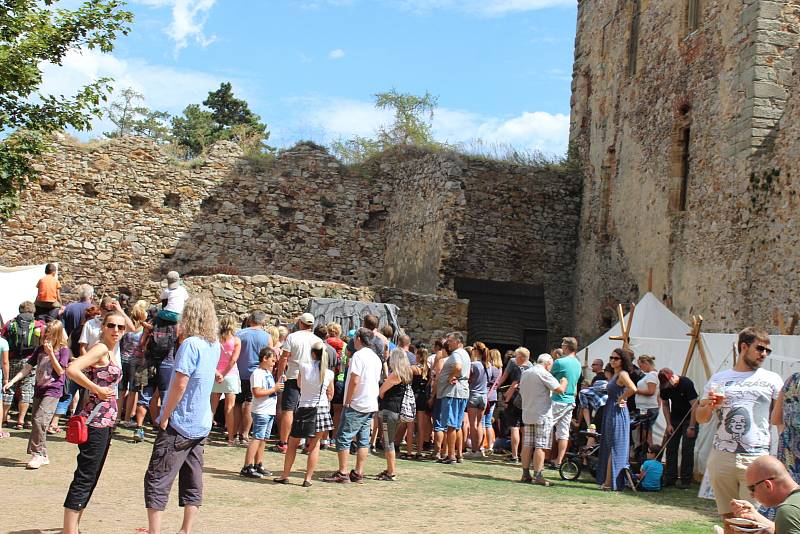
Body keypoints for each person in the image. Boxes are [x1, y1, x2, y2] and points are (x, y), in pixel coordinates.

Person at [144, 295, 220, 534]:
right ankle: (186, 529)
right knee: (192, 478)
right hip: (200, 421)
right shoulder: (213, 344)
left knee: (158, 477)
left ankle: (155, 531)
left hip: (181, 421)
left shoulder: (191, 344)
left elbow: (180, 384)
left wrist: (164, 415)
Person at [697, 327, 783, 518]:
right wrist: (709, 406)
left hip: (756, 458)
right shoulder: (719, 379)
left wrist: (783, 455)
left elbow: (779, 420)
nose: (764, 354)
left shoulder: (772, 379)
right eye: (760, 349)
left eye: (767, 351)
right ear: (743, 347)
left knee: (752, 520)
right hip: (721, 456)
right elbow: (700, 418)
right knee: (728, 519)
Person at [62, 309, 125, 534]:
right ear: (102, 327)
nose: (116, 330)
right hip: (95, 420)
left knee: (92, 475)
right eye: (111, 326)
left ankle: (74, 526)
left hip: (105, 421)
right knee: (86, 475)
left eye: (120, 327)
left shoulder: (111, 349)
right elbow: (72, 369)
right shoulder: (100, 348)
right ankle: (69, 529)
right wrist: (97, 388)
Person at [3, 320, 70, 468]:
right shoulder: (39, 349)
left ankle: (37, 454)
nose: (46, 337)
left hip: (53, 390)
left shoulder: (63, 350)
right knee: (37, 423)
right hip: (39, 389)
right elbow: (27, 368)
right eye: (46, 334)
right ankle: (43, 454)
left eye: (50, 335)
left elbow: (60, 371)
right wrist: (12, 382)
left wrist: (51, 353)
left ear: (57, 335)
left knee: (40, 420)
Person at [324, 328, 382, 484]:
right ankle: (358, 472)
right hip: (370, 402)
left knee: (344, 437)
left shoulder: (358, 356)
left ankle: (343, 472)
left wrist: (348, 400)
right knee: (363, 440)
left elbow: (355, 380)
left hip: (357, 402)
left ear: (358, 338)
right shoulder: (375, 358)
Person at [275, 341, 334, 486]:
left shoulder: (304, 367)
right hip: (321, 409)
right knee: (315, 445)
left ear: (313, 353)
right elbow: (330, 393)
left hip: (305, 407)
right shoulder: (330, 373)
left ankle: (285, 475)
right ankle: (307, 479)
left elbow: (300, 385)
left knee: (293, 443)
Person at [519, 353, 567, 486]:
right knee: (541, 445)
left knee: (528, 444)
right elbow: (559, 390)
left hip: (528, 412)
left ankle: (525, 474)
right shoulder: (543, 372)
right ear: (548, 363)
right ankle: (538, 475)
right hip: (542, 414)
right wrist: (564, 381)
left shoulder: (526, 372)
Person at [276, 312, 320, 453]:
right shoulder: (316, 340)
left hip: (294, 375)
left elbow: (284, 358)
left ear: (301, 323)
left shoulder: (292, 337)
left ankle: (283, 442)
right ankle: (307, 442)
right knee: (308, 408)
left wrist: (280, 375)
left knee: (288, 409)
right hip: (310, 378)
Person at [726, 455, 800, 534]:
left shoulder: (787, 511)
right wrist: (754, 514)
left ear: (767, 485)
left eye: (752, 489)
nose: (751, 495)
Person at [597, 347, 637, 491]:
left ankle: (609, 483)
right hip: (610, 409)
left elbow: (633, 388)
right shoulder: (615, 374)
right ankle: (607, 481)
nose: (613, 360)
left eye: (616, 358)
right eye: (611, 358)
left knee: (615, 445)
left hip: (617, 411)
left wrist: (622, 397)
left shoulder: (623, 374)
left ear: (622, 360)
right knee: (608, 445)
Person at [241, 348, 283, 478]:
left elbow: (269, 390)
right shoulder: (257, 373)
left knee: (263, 439)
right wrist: (274, 389)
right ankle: (247, 466)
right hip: (261, 411)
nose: (274, 363)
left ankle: (258, 464)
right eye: (272, 360)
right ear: (264, 358)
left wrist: (277, 386)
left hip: (269, 411)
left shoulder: (267, 373)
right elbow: (257, 392)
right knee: (257, 438)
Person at [2, 301, 44, 429]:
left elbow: (4, 339)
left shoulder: (10, 324)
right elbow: (42, 342)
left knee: (9, 387)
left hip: (12, 359)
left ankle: (3, 419)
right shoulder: (38, 325)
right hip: (30, 360)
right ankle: (20, 421)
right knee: (27, 390)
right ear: (33, 311)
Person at [375, 348, 413, 480]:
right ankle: (389, 469)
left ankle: (391, 472)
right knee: (389, 440)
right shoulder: (406, 374)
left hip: (389, 411)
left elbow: (381, 391)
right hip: (397, 411)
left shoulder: (395, 375)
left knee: (388, 442)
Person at [234, 311, 271, 446]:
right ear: (263, 322)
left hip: (239, 372)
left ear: (250, 321)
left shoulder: (239, 334)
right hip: (257, 373)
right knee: (249, 404)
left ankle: (234, 433)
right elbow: (269, 357)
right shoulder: (267, 337)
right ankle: (244, 434)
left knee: (237, 404)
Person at [658, 367, 698, 488]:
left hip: (690, 419)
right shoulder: (664, 387)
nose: (668, 386)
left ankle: (686, 480)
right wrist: (668, 424)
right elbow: (665, 405)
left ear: (673, 376)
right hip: (674, 419)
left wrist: (692, 426)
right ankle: (670, 478)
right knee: (671, 448)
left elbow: (695, 405)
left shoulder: (686, 383)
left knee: (687, 449)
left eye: (668, 383)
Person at [436, 332, 471, 464]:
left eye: (450, 341)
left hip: (453, 392)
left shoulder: (456, 354)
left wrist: (451, 376)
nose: (448, 343)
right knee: (457, 425)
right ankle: (459, 454)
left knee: (451, 425)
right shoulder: (465, 354)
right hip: (461, 391)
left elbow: (458, 367)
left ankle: (451, 456)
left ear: (457, 341)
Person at [550, 336, 583, 468]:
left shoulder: (559, 362)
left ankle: (542, 457)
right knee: (563, 432)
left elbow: (548, 378)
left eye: (563, 344)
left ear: (566, 347)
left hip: (558, 399)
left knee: (546, 427)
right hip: (570, 400)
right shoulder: (578, 364)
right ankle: (559, 461)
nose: (562, 346)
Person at [210, 315, 241, 447]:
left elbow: (211, 358)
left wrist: (218, 373)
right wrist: (224, 373)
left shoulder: (215, 339)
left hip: (216, 374)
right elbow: (233, 360)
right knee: (230, 408)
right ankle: (230, 438)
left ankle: (204, 434)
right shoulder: (236, 340)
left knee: (212, 407)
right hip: (231, 374)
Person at [118, 300, 147, 427]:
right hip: (137, 362)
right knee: (133, 391)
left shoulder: (127, 328)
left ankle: (117, 416)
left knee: (121, 390)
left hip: (123, 359)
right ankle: (127, 418)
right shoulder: (143, 330)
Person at [502, 347, 534, 463]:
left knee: (514, 426)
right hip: (527, 398)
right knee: (524, 428)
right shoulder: (531, 366)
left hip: (515, 397)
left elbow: (509, 380)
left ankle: (514, 455)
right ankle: (524, 454)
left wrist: (505, 398)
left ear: (520, 356)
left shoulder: (513, 362)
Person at [465, 341, 489, 458]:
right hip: (484, 396)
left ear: (475, 350)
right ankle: (480, 448)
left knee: (472, 423)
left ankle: (474, 450)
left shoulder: (473, 365)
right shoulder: (488, 366)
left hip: (474, 394)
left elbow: (468, 378)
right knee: (480, 424)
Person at [635, 354, 660, 448]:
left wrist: (635, 390)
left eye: (641, 366)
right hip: (646, 408)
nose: (641, 369)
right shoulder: (651, 375)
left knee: (646, 434)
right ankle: (647, 453)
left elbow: (651, 391)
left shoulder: (651, 375)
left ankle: (649, 454)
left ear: (646, 363)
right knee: (645, 433)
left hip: (648, 408)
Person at [412, 347, 431, 460]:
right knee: (421, 425)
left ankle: (410, 449)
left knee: (409, 423)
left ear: (418, 356)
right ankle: (419, 451)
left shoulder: (414, 368)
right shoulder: (427, 369)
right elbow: (429, 383)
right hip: (423, 396)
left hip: (414, 395)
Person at [483, 348, 503, 455]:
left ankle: (481, 445)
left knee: (482, 422)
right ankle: (490, 446)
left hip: (486, 395)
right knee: (488, 423)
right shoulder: (500, 369)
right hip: (494, 395)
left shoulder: (490, 368)